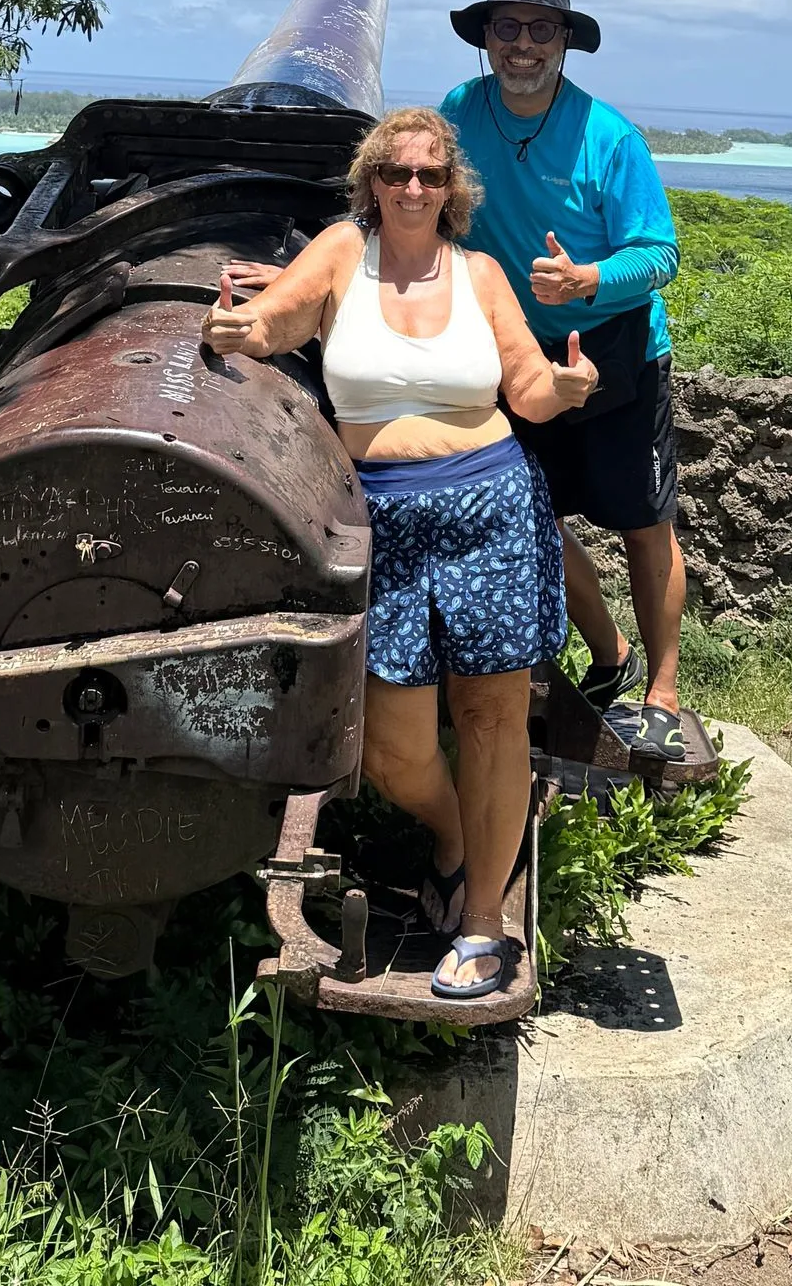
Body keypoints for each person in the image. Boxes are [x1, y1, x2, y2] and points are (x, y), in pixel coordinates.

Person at [201, 105, 596, 1003]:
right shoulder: (344, 252)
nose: (412, 188)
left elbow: (526, 387)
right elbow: (277, 320)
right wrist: (236, 333)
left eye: (429, 174)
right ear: (371, 182)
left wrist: (564, 386)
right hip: (383, 517)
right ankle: (456, 838)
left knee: (494, 719)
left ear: (453, 188)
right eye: (396, 173)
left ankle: (484, 922)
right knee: (394, 748)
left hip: (490, 506)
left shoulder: (482, 273)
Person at [441, 0, 688, 761]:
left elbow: (660, 253)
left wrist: (591, 277)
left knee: (643, 523)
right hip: (513, 348)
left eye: (540, 30)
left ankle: (663, 690)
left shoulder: (608, 138)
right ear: (486, 37)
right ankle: (610, 653)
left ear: (565, 43)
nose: (522, 45)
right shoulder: (456, 114)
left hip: (614, 347)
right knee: (528, 513)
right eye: (507, 28)